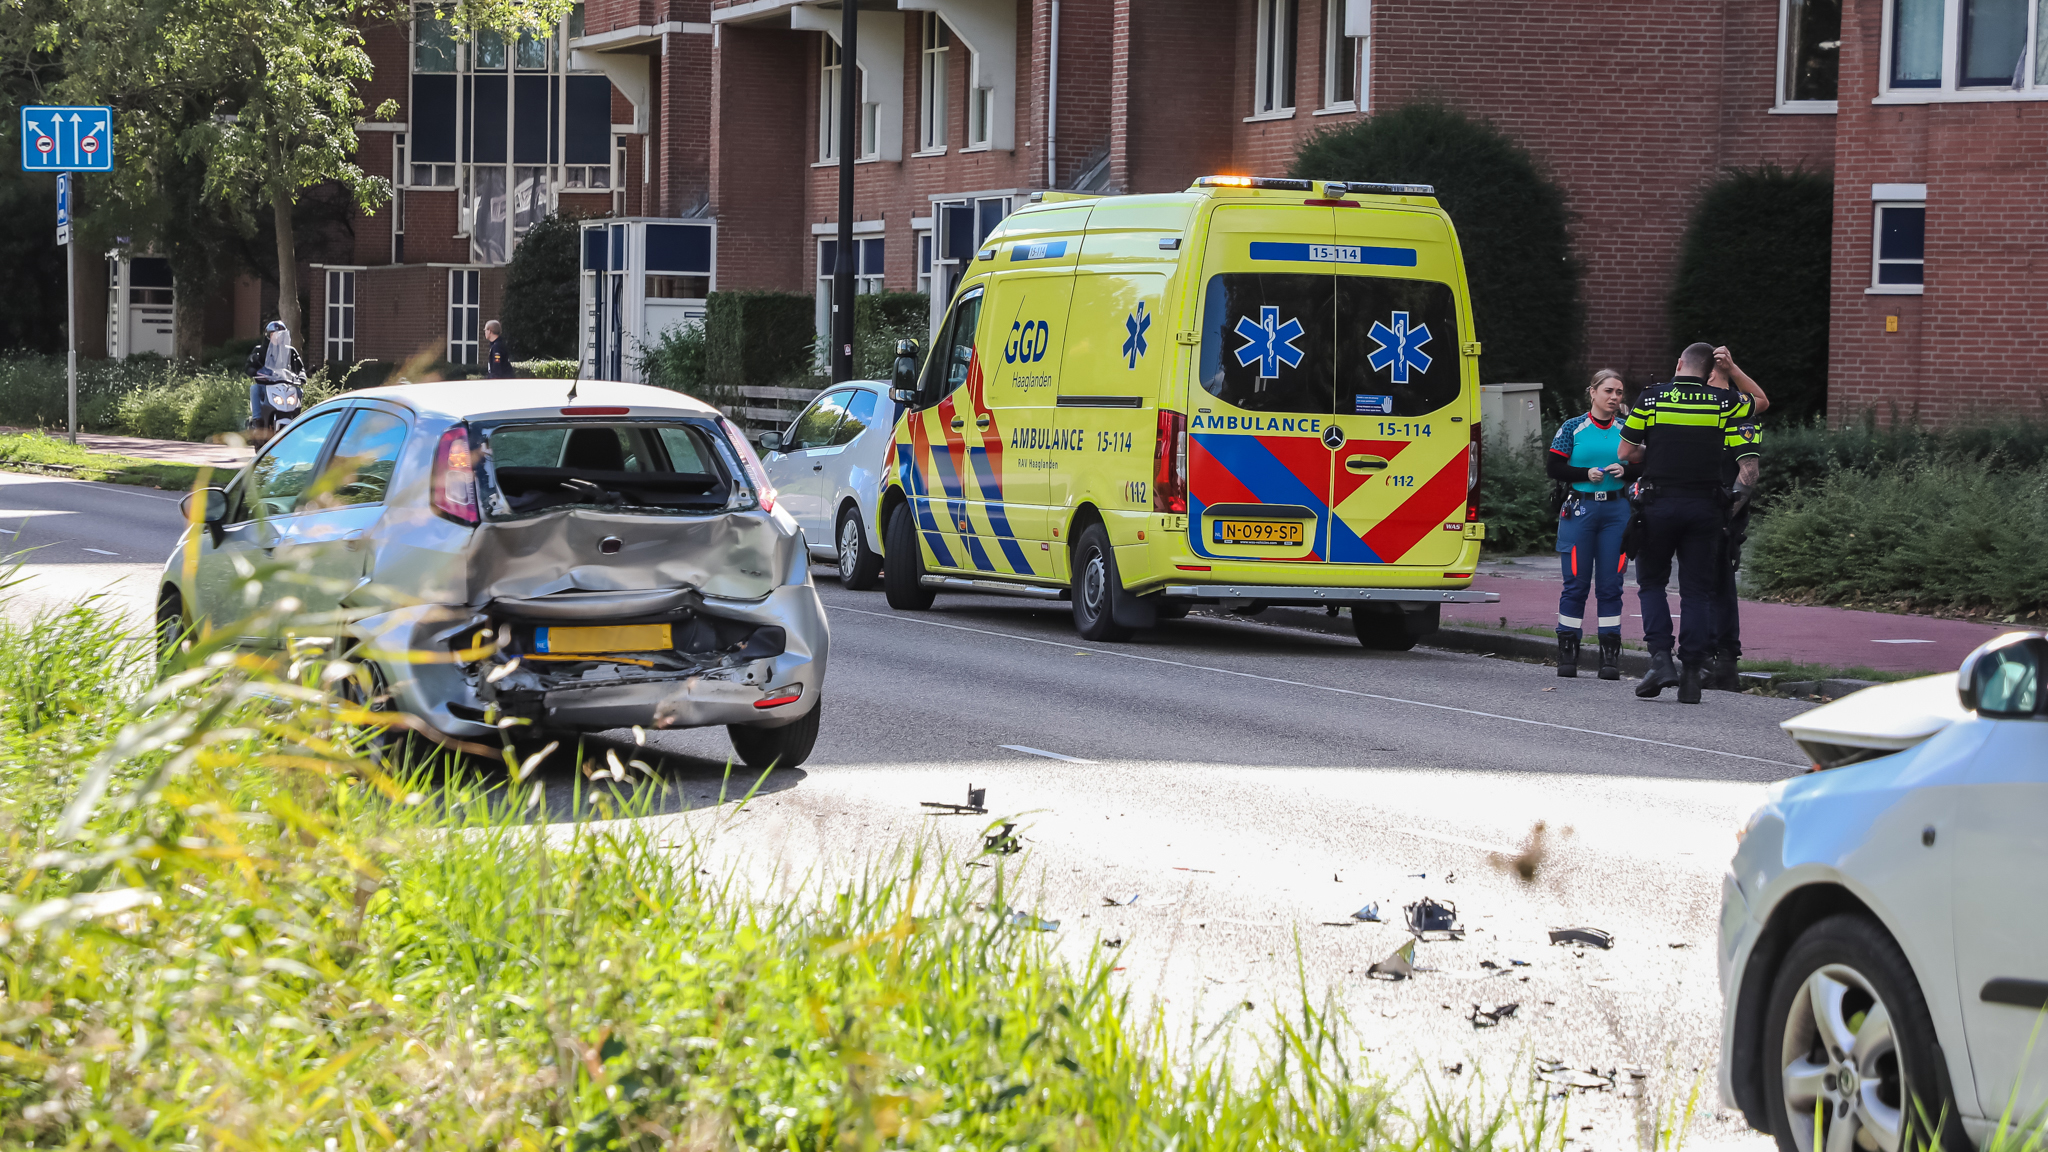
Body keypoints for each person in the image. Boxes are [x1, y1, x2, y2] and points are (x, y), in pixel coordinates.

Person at [1619, 342, 1761, 703]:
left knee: (1652, 584)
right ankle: (1693, 673)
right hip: (1705, 508)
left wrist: (1661, 447)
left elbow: (1626, 453)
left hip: (1659, 504)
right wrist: (1731, 370)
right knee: (1696, 591)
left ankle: (1661, 660)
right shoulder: (1723, 403)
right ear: (1708, 369)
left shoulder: (1651, 399)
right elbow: (1759, 401)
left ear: (1680, 363)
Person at [1546, 369, 1634, 680]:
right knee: (1577, 584)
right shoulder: (1573, 427)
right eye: (1609, 391)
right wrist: (1585, 474)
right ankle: (1568, 650)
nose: (1614, 397)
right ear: (1592, 392)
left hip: (1617, 511)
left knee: (1611, 585)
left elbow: (1643, 465)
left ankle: (1609, 654)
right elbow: (1553, 466)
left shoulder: (1627, 428)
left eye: (1619, 393)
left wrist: (1627, 472)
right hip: (1580, 510)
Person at [1706, 346, 1769, 690]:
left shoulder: (1735, 411)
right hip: (1701, 510)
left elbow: (1749, 472)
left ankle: (1722, 660)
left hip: (1719, 515)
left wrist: (1723, 514)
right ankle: (1712, 658)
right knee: (1705, 585)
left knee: (1716, 587)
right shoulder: (1697, 408)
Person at [245, 320, 304, 429]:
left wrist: (302, 376)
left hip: (286, 385)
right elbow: (249, 366)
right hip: (266, 384)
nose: (277, 337)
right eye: (274, 334)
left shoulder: (291, 351)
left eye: (280, 335)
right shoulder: (260, 350)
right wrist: (254, 371)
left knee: (299, 391)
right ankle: (257, 420)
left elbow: (300, 368)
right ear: (268, 336)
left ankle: (297, 418)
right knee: (255, 389)